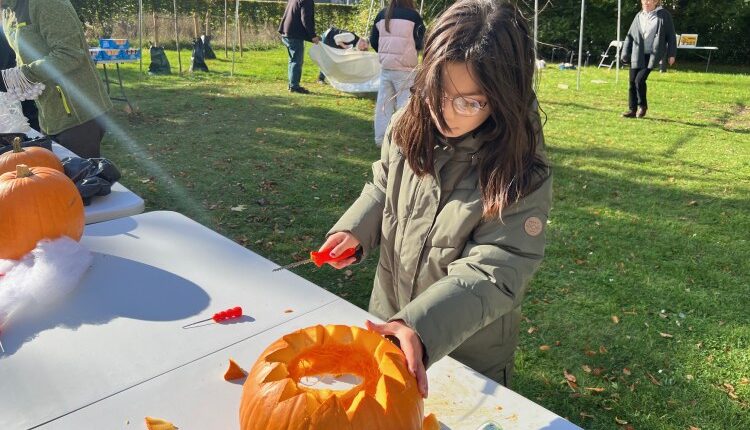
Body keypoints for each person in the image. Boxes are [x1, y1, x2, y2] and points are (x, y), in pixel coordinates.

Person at [319, 0, 552, 396]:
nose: (445, 111)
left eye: (469, 102)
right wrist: (355, 229)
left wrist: (420, 327)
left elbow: (494, 269)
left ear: (503, 96)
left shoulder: (521, 171)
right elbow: (382, 185)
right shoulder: (408, 123)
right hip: (390, 322)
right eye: (437, 90)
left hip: (469, 352)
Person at [0, 0, 112, 158]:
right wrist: (24, 83)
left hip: (79, 111)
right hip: (49, 114)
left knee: (78, 178)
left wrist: (22, 76)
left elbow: (70, 54)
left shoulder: (47, 3)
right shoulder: (8, 11)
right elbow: (24, 51)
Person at [370, 0, 425, 147]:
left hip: (387, 67)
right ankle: (402, 140)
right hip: (405, 68)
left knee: (383, 104)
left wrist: (386, 54)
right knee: (405, 104)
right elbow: (420, 42)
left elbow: (373, 41)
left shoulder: (382, 15)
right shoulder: (414, 16)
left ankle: (380, 140)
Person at [621, 0, 676, 118]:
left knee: (639, 80)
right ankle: (632, 110)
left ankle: (642, 106)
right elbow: (629, 35)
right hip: (637, 54)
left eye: (649, 0)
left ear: (656, 1)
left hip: (652, 54)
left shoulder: (663, 15)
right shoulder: (638, 15)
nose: (646, 2)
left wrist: (672, 54)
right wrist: (625, 53)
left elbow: (671, 35)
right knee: (632, 82)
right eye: (644, 0)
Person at [278, 0, 320, 94]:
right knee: (297, 61)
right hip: (294, 34)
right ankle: (294, 87)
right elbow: (305, 18)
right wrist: (313, 36)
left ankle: (292, 85)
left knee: (292, 60)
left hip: (286, 31)